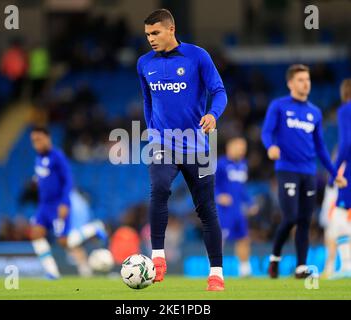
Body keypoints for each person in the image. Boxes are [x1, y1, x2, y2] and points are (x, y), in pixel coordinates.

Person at [137, 9, 227, 290]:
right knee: (160, 188)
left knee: (206, 209)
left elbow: (219, 91)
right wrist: (153, 130)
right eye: (148, 34)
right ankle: (158, 257)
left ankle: (216, 274)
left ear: (171, 29)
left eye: (155, 33)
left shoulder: (198, 56)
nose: (151, 39)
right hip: (163, 143)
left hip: (197, 145)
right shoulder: (144, 63)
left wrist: (213, 114)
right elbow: (147, 100)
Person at [261, 64, 347, 279]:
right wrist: (270, 146)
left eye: (307, 79)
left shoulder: (314, 112)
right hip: (287, 169)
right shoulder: (279, 106)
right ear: (290, 83)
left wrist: (335, 173)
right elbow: (266, 131)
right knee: (290, 217)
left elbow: (321, 148)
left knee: (305, 220)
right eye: (300, 80)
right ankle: (275, 257)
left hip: (309, 171)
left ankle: (301, 266)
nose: (305, 83)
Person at [30, 126, 92, 278]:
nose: (36, 143)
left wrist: (64, 203)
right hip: (44, 206)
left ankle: (93, 230)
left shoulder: (57, 156)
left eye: (39, 139)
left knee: (63, 241)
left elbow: (68, 180)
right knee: (36, 234)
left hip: (58, 204)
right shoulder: (38, 158)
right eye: (33, 141)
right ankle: (52, 272)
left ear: (47, 138)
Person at [215, 137, 258, 277]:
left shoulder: (243, 165)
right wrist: (218, 196)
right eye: (239, 147)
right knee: (219, 239)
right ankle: (215, 269)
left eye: (243, 147)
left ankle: (245, 270)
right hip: (224, 210)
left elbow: (242, 189)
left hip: (238, 210)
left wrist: (250, 202)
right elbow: (210, 183)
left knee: (243, 238)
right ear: (230, 147)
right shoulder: (220, 164)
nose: (242, 150)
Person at [327, 78, 351, 279]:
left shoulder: (345, 110)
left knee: (339, 216)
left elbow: (346, 144)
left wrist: (334, 173)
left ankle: (346, 266)